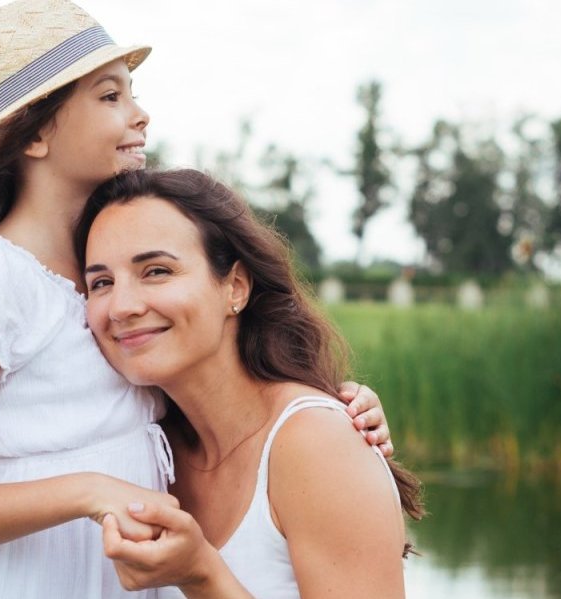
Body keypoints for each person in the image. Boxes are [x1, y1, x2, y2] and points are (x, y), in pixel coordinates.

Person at [0, 1, 392, 597]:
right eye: (109, 96)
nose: (141, 116)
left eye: (133, 93)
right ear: (37, 131)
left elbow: (189, 397)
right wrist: (88, 490)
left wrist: (333, 414)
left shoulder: (108, 265)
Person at [76, 169, 425, 599]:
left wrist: (203, 576)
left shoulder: (316, 444)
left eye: (157, 271)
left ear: (235, 287)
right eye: (102, 283)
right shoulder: (137, 441)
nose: (122, 307)